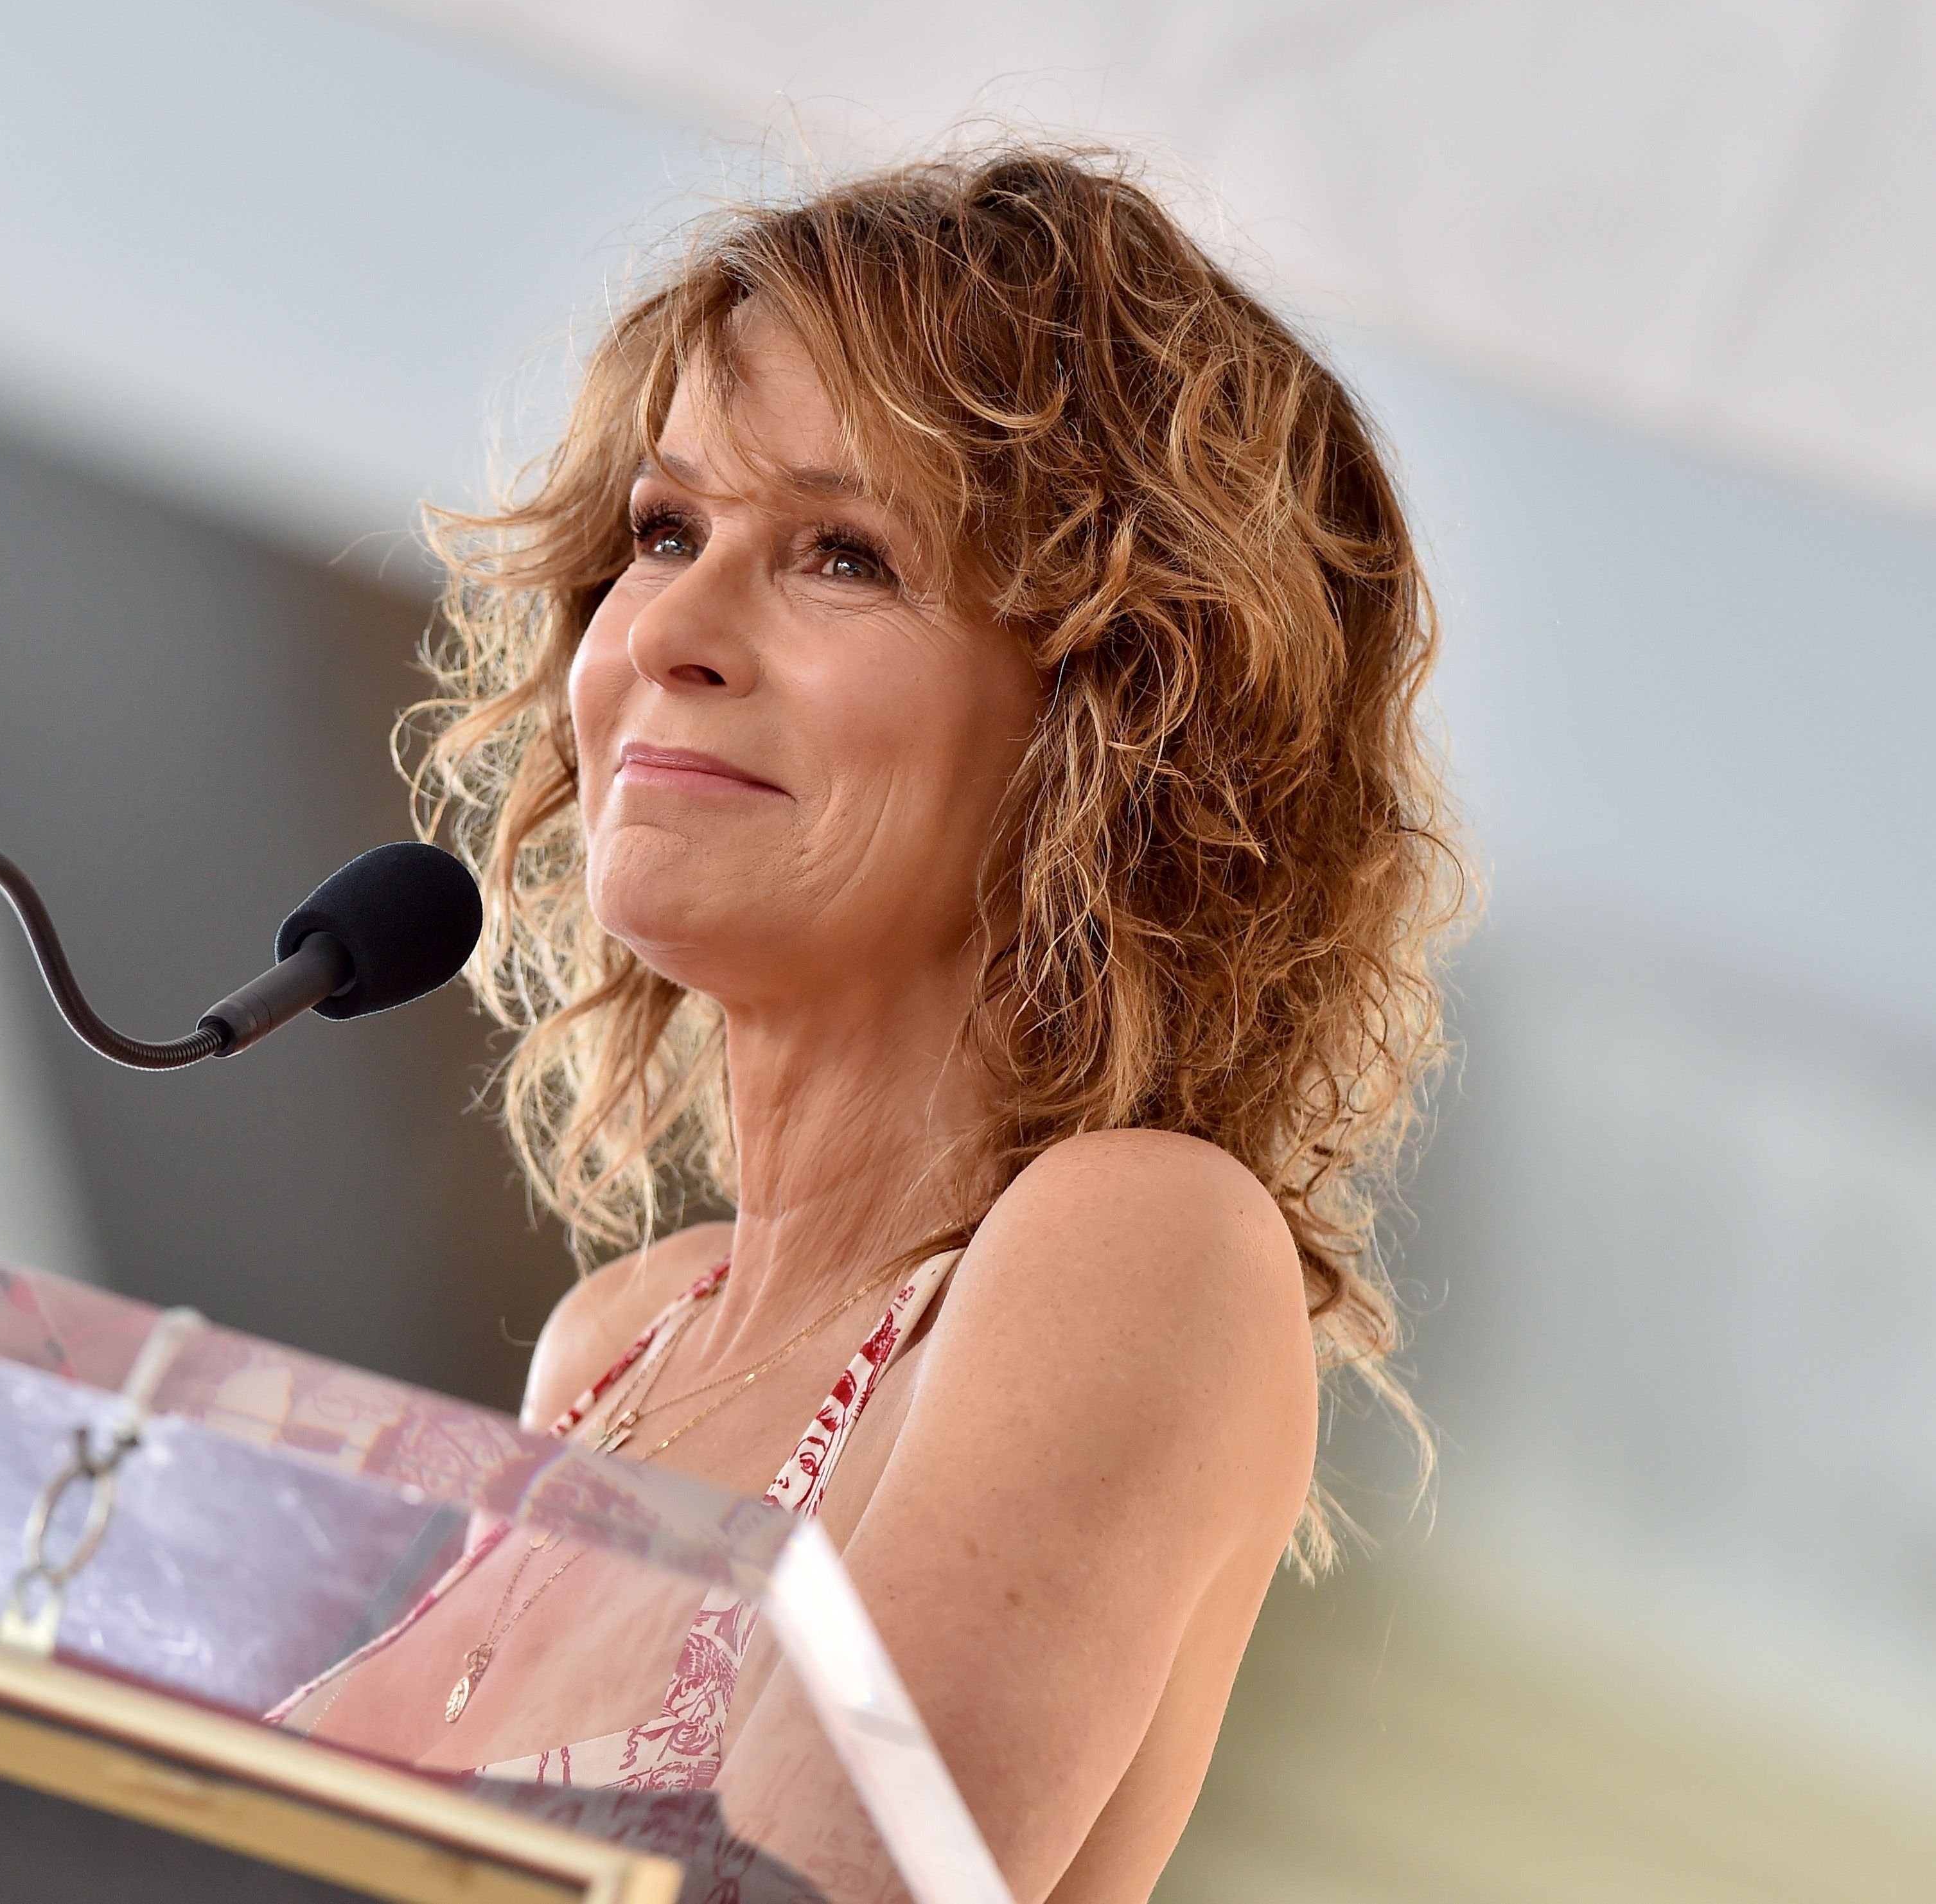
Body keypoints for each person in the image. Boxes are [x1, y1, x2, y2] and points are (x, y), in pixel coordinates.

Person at [274, 144, 1465, 1903]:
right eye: (666, 528)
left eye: (843, 553)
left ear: (1110, 718)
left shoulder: (1137, 1245)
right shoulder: (613, 1343)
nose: (668, 625)